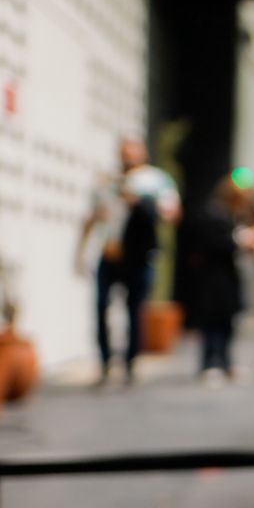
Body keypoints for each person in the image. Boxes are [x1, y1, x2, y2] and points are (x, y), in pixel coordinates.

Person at [76, 138, 180, 385]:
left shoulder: (155, 180)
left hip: (138, 254)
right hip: (110, 253)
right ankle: (104, 362)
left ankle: (130, 363)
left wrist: (140, 201)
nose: (127, 156)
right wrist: (80, 252)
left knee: (135, 310)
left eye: (132, 151)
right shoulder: (107, 181)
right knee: (101, 306)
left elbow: (172, 214)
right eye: (123, 152)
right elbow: (93, 216)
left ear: (142, 153)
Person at [184, 174, 254, 384]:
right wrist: (240, 240)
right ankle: (210, 363)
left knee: (227, 322)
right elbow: (213, 244)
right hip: (212, 278)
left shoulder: (236, 215)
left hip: (228, 277)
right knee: (212, 323)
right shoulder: (214, 213)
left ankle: (225, 362)